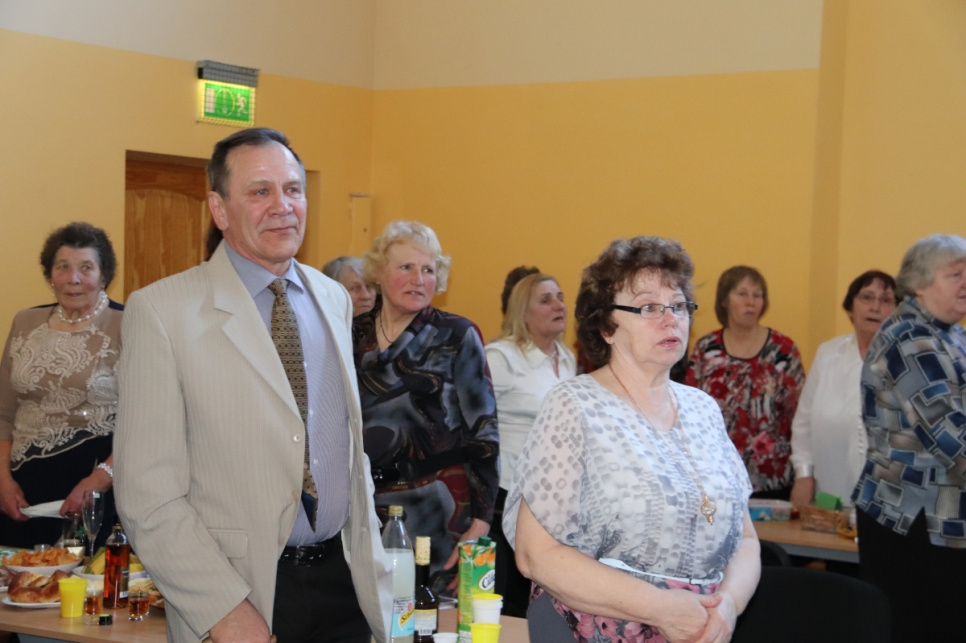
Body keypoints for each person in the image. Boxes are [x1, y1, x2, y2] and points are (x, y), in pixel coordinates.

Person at [114, 128, 391, 643]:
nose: (283, 206)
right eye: (261, 191)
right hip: (242, 595)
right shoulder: (162, 312)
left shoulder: (332, 297)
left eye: (293, 189)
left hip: (345, 586)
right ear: (219, 209)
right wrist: (225, 612)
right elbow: (147, 496)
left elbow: (344, 449)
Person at [505, 236, 760, 643]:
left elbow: (745, 539)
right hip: (598, 629)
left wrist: (728, 604)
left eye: (678, 306)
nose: (670, 319)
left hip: (702, 629)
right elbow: (536, 554)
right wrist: (662, 609)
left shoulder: (703, 409)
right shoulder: (575, 405)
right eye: (649, 307)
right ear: (607, 326)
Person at [353, 220, 499, 595]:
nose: (419, 279)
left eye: (429, 270)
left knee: (430, 615)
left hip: (440, 510)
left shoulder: (457, 335)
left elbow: (483, 430)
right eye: (406, 267)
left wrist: (482, 521)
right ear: (379, 273)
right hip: (363, 511)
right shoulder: (350, 333)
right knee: (366, 614)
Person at [852, 234, 966, 642]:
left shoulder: (951, 333)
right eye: (955, 274)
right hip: (913, 518)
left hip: (942, 517)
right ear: (920, 283)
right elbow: (950, 436)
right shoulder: (910, 338)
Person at [0, 222, 121, 549]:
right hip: (21, 490)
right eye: (63, 267)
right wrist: (3, 481)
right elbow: (4, 413)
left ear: (104, 275)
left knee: (82, 576)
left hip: (94, 486)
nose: (73, 278)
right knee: (20, 575)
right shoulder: (24, 321)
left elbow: (145, 421)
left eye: (86, 267)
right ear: (50, 275)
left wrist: (99, 482)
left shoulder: (127, 323)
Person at [485, 273, 577, 616]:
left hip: (551, 497)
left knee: (539, 598)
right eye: (545, 300)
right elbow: (470, 425)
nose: (558, 305)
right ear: (523, 313)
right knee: (505, 597)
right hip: (506, 494)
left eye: (560, 297)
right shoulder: (501, 357)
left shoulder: (566, 358)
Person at [686, 266, 804, 499]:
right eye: (742, 294)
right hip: (716, 479)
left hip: (773, 480)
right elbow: (690, 413)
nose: (750, 302)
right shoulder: (706, 349)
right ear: (724, 300)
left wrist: (804, 473)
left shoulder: (784, 350)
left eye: (757, 295)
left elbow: (800, 416)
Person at [789, 270, 897, 507]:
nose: (875, 307)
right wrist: (804, 475)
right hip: (829, 489)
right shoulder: (828, 354)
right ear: (850, 308)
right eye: (866, 297)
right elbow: (803, 422)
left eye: (885, 300)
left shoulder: (908, 362)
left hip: (890, 498)